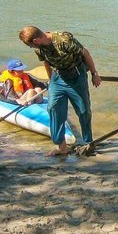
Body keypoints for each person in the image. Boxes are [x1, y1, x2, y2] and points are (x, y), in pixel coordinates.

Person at [19, 26, 102, 156]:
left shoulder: (64, 40)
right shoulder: (39, 49)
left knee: (83, 110)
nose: (31, 48)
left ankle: (88, 143)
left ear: (36, 40)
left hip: (77, 75)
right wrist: (51, 80)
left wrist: (94, 74)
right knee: (53, 108)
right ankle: (62, 147)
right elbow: (46, 62)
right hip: (58, 77)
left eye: (30, 45)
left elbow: (85, 53)